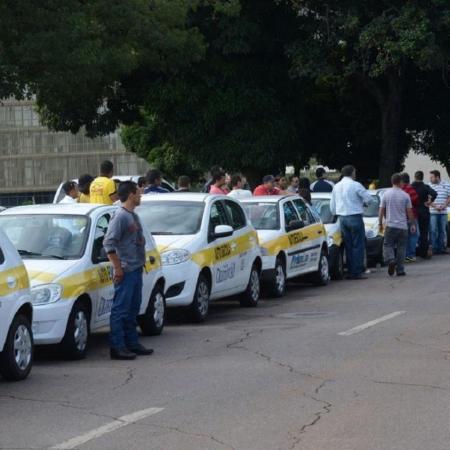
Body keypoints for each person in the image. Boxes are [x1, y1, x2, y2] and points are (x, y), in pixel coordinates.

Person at [103, 181, 153, 360]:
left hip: (136, 268)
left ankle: (132, 343)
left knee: (133, 308)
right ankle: (117, 347)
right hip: (126, 270)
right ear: (131, 194)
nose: (141, 195)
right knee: (121, 309)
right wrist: (117, 267)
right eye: (138, 192)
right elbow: (109, 243)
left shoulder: (133, 216)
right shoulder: (120, 217)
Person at [330, 165, 373, 280]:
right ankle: (357, 272)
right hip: (355, 217)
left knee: (348, 245)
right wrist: (363, 204)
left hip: (342, 218)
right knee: (358, 245)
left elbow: (332, 207)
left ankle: (350, 271)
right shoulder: (356, 185)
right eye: (354, 172)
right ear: (352, 173)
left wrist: (337, 212)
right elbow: (369, 199)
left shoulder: (336, 186)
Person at [379, 173, 416, 277]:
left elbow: (381, 210)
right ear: (400, 182)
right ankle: (400, 270)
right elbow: (409, 211)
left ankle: (391, 260)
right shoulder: (405, 195)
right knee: (401, 248)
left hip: (390, 225)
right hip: (402, 226)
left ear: (392, 182)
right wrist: (412, 224)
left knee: (387, 245)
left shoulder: (386, 194)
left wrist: (380, 223)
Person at [412, 171, 437, 259]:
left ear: (415, 177)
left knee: (413, 234)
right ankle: (423, 253)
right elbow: (434, 193)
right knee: (424, 233)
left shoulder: (411, 187)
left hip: (413, 211)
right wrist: (430, 201)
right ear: (422, 178)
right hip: (424, 211)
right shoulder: (425, 187)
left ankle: (411, 255)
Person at [399, 173, 420, 262]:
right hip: (412, 216)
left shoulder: (399, 190)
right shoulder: (411, 190)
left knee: (404, 237)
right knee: (414, 235)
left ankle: (403, 256)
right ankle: (410, 256)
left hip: (401, 217)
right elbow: (416, 202)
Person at [429, 170, 450, 254]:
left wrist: (444, 205)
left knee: (442, 230)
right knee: (433, 230)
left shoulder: (447, 184)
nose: (430, 179)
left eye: (432, 177)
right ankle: (434, 248)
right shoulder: (429, 186)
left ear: (437, 177)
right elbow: (427, 199)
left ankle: (441, 248)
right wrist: (435, 206)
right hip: (433, 211)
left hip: (443, 212)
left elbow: (449, 196)